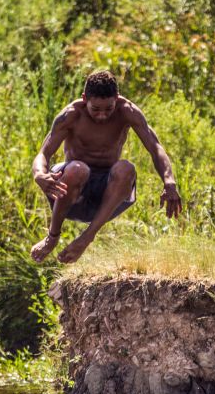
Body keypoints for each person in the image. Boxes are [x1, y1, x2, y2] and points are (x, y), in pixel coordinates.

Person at [30, 70, 182, 264]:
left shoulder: (127, 111)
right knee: (78, 168)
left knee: (126, 168)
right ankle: (52, 237)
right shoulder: (71, 115)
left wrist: (169, 181)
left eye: (108, 109)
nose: (102, 116)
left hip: (107, 196)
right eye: (96, 109)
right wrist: (39, 175)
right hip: (71, 193)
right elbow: (43, 154)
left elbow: (155, 147)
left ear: (116, 99)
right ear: (85, 99)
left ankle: (86, 238)